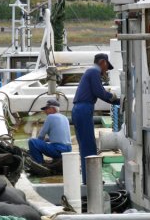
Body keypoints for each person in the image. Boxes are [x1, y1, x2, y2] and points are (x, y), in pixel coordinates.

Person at [72, 53, 120, 184]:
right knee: (89, 146)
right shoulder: (94, 71)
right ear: (103, 62)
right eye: (106, 67)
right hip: (84, 109)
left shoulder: (90, 72)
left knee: (85, 145)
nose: (105, 71)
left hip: (80, 109)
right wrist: (117, 100)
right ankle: (92, 181)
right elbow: (99, 92)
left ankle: (88, 179)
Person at [28, 99, 72, 164]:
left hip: (58, 150)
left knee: (32, 142)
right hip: (68, 149)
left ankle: (40, 164)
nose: (45, 111)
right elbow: (60, 137)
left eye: (47, 109)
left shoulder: (50, 117)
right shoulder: (65, 117)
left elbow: (41, 136)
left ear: (53, 109)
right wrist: (46, 140)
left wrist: (36, 145)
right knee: (47, 142)